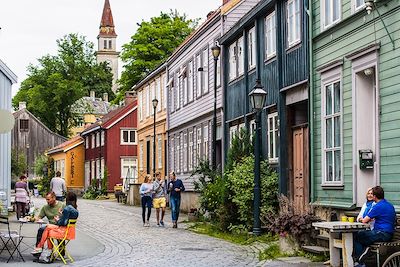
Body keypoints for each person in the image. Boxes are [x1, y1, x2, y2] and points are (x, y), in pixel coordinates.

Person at [354, 186, 396, 267]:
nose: (371, 196)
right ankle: (366, 253)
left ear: (375, 196)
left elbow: (364, 220)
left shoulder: (377, 206)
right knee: (365, 235)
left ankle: (360, 262)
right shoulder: (389, 205)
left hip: (382, 233)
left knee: (358, 236)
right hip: (389, 233)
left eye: (372, 194)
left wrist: (360, 219)